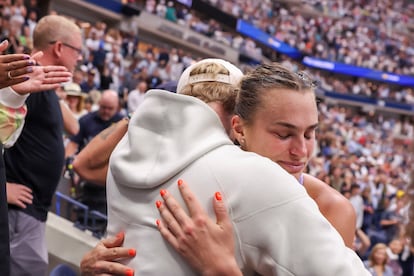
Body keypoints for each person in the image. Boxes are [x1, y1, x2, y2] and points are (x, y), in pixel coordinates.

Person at [84, 59, 368, 275]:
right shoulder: (238, 176)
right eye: (283, 134)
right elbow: (84, 167)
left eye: (309, 134)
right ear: (238, 128)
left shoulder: (330, 206)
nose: (301, 151)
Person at [5, 14, 82, 276]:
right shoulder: (25, 82)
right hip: (18, 210)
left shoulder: (41, 85)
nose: (80, 58)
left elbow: (75, 127)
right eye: (77, 51)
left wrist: (55, 89)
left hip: (30, 212)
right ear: (59, 48)